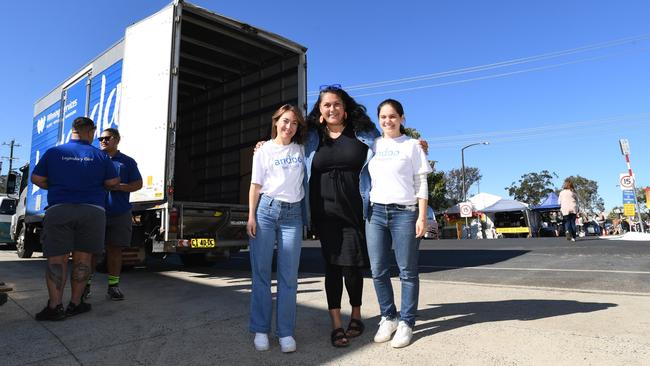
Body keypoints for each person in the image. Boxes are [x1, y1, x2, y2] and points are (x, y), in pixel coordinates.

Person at [304, 85, 380, 347]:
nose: (332, 109)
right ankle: (336, 323)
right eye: (327, 105)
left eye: (336, 104)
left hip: (354, 210)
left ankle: (356, 315)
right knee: (333, 266)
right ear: (321, 112)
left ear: (345, 109)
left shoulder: (363, 134)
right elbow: (283, 140)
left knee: (352, 265)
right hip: (324, 213)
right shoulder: (311, 137)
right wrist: (262, 145)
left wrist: (415, 144)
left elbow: (389, 149)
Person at [31, 117, 119, 320]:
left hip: (59, 209)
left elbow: (36, 178)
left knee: (57, 259)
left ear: (73, 131)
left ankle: (54, 307)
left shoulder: (55, 152)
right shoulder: (100, 156)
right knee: (83, 259)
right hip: (92, 212)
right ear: (90, 131)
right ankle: (76, 303)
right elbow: (113, 181)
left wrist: (55, 186)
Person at [365, 99, 432, 348]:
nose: (388, 121)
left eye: (393, 116)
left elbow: (421, 183)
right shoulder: (372, 144)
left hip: (405, 213)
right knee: (377, 269)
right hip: (375, 213)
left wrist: (422, 216)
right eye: (383, 116)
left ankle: (407, 322)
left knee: (407, 271)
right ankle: (388, 316)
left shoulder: (413, 145)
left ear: (402, 118)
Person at [247, 104, 307, 353]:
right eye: (285, 121)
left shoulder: (302, 150)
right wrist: (251, 216)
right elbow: (255, 186)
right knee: (261, 273)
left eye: (294, 123)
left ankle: (285, 332)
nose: (288, 127)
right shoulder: (263, 151)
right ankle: (261, 329)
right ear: (276, 122)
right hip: (266, 212)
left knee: (288, 278)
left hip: (293, 215)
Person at [87, 128, 142, 301]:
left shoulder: (127, 162)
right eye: (100, 138)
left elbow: (138, 184)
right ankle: (85, 286)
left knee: (115, 250)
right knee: (92, 251)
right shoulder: (94, 159)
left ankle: (113, 287)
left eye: (107, 138)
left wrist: (120, 187)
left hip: (120, 213)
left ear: (117, 140)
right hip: (96, 212)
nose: (102, 141)